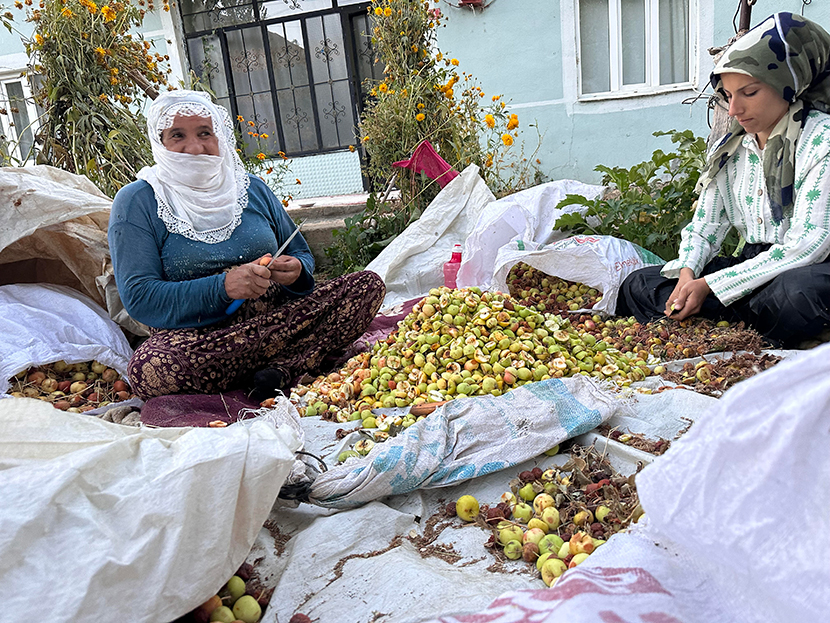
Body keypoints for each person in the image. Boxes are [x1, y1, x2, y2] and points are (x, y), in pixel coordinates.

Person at [109, 90, 385, 401]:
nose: (195, 147)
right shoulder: (138, 201)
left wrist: (296, 272)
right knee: (151, 368)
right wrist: (223, 287)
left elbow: (301, 254)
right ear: (160, 143)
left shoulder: (251, 188)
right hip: (200, 339)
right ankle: (293, 362)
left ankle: (274, 367)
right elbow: (140, 297)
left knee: (366, 286)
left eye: (205, 133)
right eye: (178, 135)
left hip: (281, 320)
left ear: (220, 138)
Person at [617, 12, 830, 347]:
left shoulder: (821, 139)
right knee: (639, 284)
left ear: (789, 84)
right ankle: (743, 330)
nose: (733, 110)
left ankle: (733, 325)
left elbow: (809, 244)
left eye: (749, 92)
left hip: (806, 268)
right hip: (751, 273)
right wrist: (688, 274)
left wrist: (713, 286)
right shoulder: (732, 147)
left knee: (797, 296)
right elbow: (705, 228)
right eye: (728, 95)